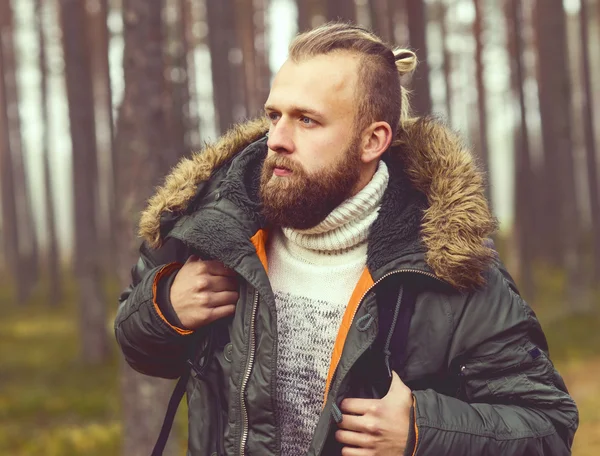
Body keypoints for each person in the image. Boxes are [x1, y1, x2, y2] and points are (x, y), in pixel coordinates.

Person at [115, 22, 578, 456]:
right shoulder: (210, 224)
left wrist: (422, 431)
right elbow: (139, 345)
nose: (277, 138)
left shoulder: (447, 266)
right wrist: (163, 307)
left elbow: (547, 426)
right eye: (274, 115)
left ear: (372, 141)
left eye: (307, 120)